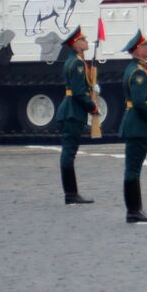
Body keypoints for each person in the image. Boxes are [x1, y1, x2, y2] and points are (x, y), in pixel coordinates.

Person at [119, 30, 147, 224]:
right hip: (138, 125)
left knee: (133, 169)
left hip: (136, 124)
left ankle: (135, 210)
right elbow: (139, 102)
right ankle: (134, 211)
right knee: (133, 170)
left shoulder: (136, 69)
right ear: (138, 50)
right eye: (146, 45)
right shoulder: (138, 73)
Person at [54, 25, 97, 205]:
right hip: (73, 112)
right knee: (69, 153)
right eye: (83, 39)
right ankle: (71, 194)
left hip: (69, 110)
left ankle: (71, 193)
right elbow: (79, 92)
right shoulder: (78, 63)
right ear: (75, 43)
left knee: (68, 153)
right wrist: (92, 107)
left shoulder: (71, 61)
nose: (86, 42)